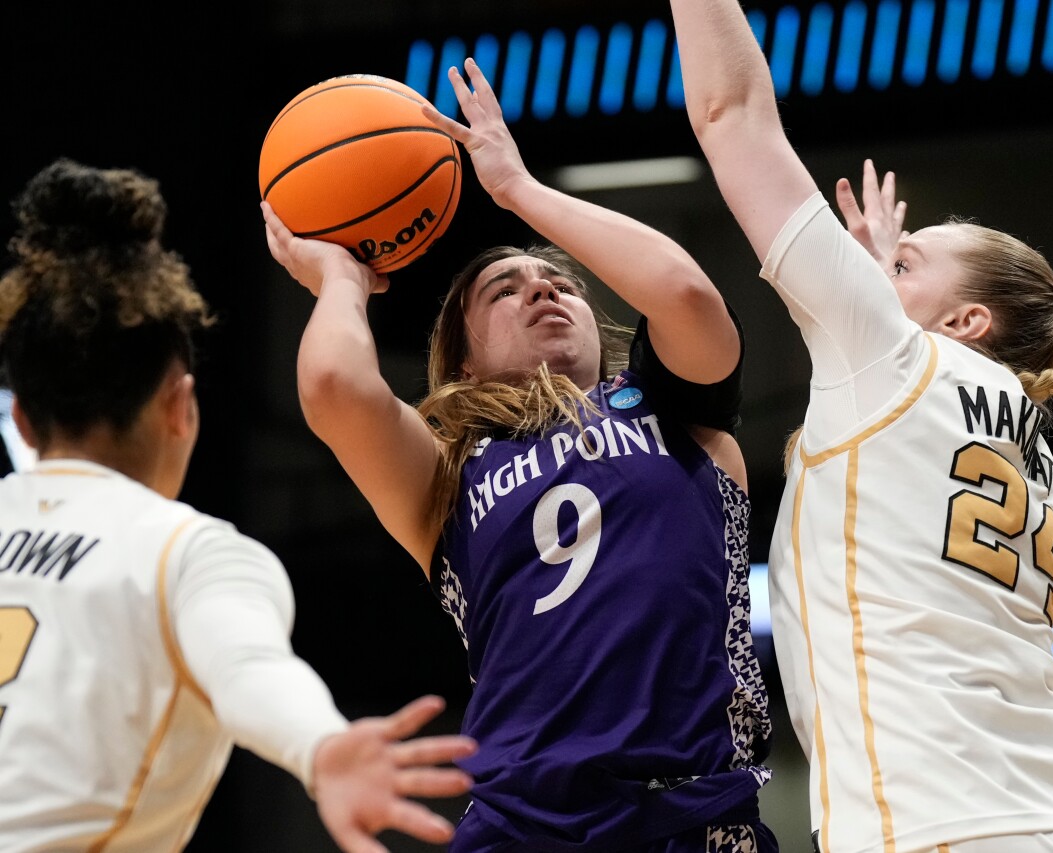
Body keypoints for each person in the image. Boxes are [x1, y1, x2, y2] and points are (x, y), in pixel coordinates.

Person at [261, 57, 775, 853]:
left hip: (689, 810)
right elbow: (333, 384)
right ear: (460, 359)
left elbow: (687, 298)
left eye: (559, 282)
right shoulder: (444, 473)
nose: (542, 289)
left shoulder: (676, 410)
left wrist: (519, 190)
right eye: (504, 289)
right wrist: (340, 279)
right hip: (521, 823)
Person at [665, 3, 1053, 853]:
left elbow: (730, 112)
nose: (877, 269)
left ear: (964, 319)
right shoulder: (1040, 466)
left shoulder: (890, 358)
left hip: (946, 820)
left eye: (903, 262)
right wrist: (886, 275)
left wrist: (867, 294)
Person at [0, 157, 477, 853]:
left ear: (22, 423)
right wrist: (321, 744)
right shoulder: (186, 551)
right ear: (180, 407)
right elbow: (249, 667)